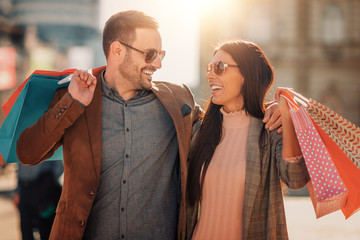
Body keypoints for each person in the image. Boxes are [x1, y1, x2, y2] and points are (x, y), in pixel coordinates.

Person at [16, 11, 281, 239]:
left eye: (161, 54)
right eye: (151, 54)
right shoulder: (75, 99)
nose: (159, 63)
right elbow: (28, 153)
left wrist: (275, 108)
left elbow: (229, 116)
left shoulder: (179, 101)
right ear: (117, 51)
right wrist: (72, 102)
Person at [185, 40, 311, 240]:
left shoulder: (269, 130)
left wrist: (287, 116)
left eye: (220, 68)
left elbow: (296, 179)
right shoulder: (199, 130)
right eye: (210, 68)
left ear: (247, 74)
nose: (210, 75)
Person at [13, 161, 63, 240]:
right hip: (24, 189)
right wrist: (17, 191)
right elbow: (19, 169)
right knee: (25, 230)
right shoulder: (20, 149)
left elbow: (59, 166)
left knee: (45, 231)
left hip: (42, 189)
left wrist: (49, 183)